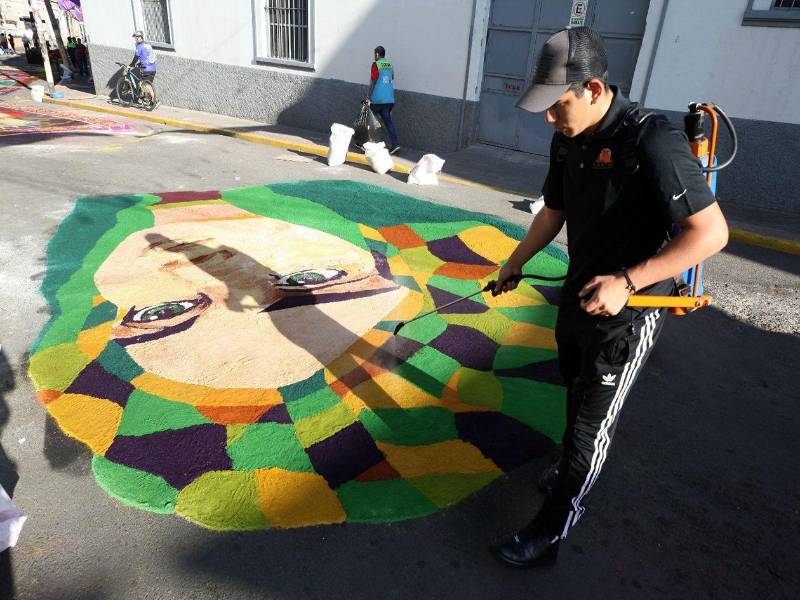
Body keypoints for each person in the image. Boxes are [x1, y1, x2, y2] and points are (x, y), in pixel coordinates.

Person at [490, 26, 729, 567]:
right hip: (579, 293)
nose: (551, 118)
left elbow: (711, 234)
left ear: (594, 89)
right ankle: (572, 465)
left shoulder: (652, 140)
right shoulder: (569, 136)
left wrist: (627, 282)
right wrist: (514, 263)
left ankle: (551, 530)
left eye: (559, 105)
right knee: (573, 390)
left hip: (629, 309)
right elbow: (553, 209)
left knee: (592, 424)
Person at [366, 45, 401, 155]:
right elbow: (392, 77)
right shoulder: (389, 64)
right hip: (389, 99)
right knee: (388, 122)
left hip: (378, 98)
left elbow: (373, 82)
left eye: (374, 54)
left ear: (377, 54)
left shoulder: (376, 64)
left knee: (369, 119)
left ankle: (367, 144)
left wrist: (368, 97)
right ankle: (396, 144)